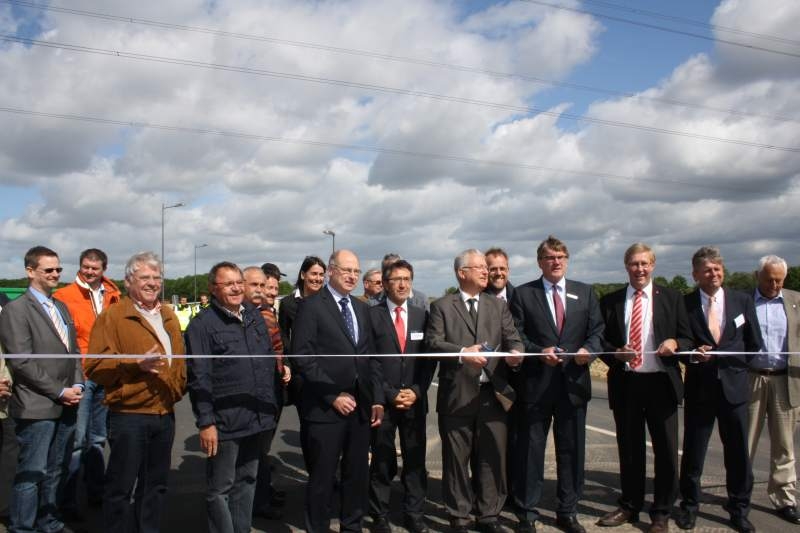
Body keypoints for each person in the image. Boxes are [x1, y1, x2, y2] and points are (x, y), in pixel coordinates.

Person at [86, 251, 186, 533]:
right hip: (129, 415)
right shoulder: (113, 316)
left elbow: (179, 360)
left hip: (164, 413)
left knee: (156, 485)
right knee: (120, 486)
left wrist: (178, 387)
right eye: (145, 277)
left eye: (157, 277)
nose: (152, 283)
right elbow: (94, 367)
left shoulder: (168, 314)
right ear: (129, 281)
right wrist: (134, 364)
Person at [509, 237, 604, 533]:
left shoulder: (585, 293)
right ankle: (527, 513)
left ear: (567, 259)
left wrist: (589, 350)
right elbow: (516, 335)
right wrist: (539, 352)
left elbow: (597, 331)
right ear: (540, 262)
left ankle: (567, 511)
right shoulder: (523, 294)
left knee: (572, 452)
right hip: (536, 386)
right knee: (530, 453)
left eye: (561, 256)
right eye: (550, 257)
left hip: (573, 386)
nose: (556, 261)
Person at [426, 249, 523, 533]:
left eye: (486, 267)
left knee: (492, 457)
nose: (486, 271)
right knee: (456, 460)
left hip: (493, 395)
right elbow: (433, 343)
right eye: (479, 267)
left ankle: (488, 514)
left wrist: (516, 354)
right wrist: (461, 352)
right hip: (457, 396)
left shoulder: (497, 306)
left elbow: (513, 338)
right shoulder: (442, 306)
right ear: (461, 273)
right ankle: (459, 515)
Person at [597, 243, 692, 533]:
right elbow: (601, 341)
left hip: (661, 384)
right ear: (626, 266)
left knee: (666, 451)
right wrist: (616, 354)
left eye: (644, 263)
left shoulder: (673, 298)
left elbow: (687, 338)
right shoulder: (611, 301)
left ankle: (661, 512)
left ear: (653, 265)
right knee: (629, 450)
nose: (639, 269)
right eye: (634, 264)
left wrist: (675, 343)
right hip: (627, 383)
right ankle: (629, 505)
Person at [291, 249, 383, 533]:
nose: (352, 276)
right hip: (324, 408)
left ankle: (352, 526)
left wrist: (377, 399)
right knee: (322, 477)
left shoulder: (361, 309)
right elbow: (302, 357)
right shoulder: (311, 306)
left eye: (356, 271)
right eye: (346, 270)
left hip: (360, 408)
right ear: (331, 271)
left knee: (357, 475)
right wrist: (332, 396)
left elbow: (371, 358)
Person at [185, 262, 279, 533]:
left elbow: (265, 361)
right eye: (229, 284)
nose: (237, 288)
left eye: (239, 282)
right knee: (220, 488)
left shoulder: (254, 316)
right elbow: (199, 377)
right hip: (224, 422)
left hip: (256, 417)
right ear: (214, 289)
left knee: (247, 480)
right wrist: (206, 422)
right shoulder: (202, 325)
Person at [676, 246, 762, 533]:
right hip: (700, 390)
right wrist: (692, 354)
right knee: (693, 453)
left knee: (737, 454)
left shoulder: (742, 300)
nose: (713, 274)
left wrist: (735, 369)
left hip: (734, 391)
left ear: (723, 271)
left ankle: (739, 508)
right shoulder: (685, 304)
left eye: (717, 269)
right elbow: (682, 343)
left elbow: (754, 343)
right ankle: (689, 506)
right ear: (695, 275)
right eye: (707, 270)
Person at [0, 245, 83, 533]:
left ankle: (49, 522)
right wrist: (59, 391)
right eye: (48, 269)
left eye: (58, 269)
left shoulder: (61, 307)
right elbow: (21, 361)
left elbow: (73, 352)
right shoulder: (16, 310)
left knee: (56, 469)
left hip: (68, 402)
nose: (55, 274)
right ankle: (22, 526)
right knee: (31, 473)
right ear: (30, 271)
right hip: (36, 406)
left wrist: (78, 383)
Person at [54, 248, 121, 516]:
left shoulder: (114, 296)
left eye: (95, 268)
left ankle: (96, 492)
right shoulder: (63, 296)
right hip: (80, 374)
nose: (89, 272)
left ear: (104, 269)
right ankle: (67, 501)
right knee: (76, 440)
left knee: (98, 438)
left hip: (105, 373)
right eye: (85, 267)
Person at [368, 259, 433, 533]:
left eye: (407, 279)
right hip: (384, 401)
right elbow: (370, 361)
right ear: (385, 284)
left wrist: (417, 391)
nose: (403, 284)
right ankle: (379, 515)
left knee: (415, 460)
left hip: (414, 401)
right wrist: (389, 393)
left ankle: (414, 513)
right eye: (397, 279)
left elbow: (429, 360)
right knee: (382, 460)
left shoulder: (422, 316)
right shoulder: (372, 316)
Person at [747, 255, 800, 524]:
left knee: (784, 445)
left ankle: (784, 498)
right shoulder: (743, 301)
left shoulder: (796, 301)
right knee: (744, 442)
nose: (774, 285)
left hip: (785, 381)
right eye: (769, 279)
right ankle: (739, 494)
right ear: (758, 276)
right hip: (751, 379)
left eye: (779, 280)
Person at [242, 266, 291, 519]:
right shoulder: (255, 316)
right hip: (260, 392)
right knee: (257, 450)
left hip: (273, 388)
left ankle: (263, 493)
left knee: (263, 448)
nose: (269, 292)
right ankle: (258, 500)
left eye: (272, 288)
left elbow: (278, 349)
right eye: (263, 286)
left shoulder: (269, 314)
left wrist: (284, 367)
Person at [278, 255, 326, 352]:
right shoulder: (287, 304)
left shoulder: (329, 302)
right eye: (314, 274)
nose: (318, 278)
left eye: (321, 275)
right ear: (303, 275)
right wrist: (291, 358)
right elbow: (284, 336)